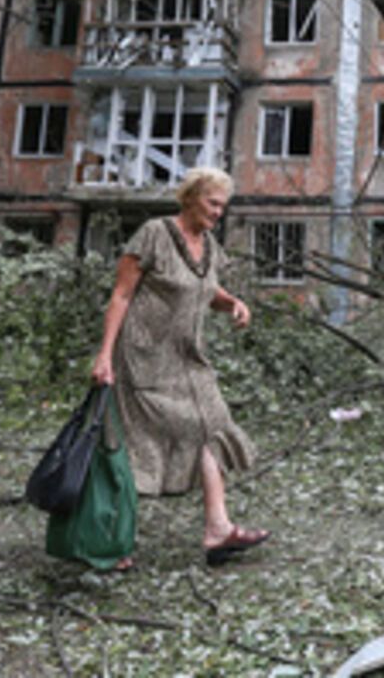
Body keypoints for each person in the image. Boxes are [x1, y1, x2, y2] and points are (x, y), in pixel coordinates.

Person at [91, 166, 271, 567]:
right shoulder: (155, 233)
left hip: (188, 357)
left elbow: (206, 288)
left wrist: (233, 303)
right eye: (213, 202)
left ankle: (217, 529)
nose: (219, 212)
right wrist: (104, 355)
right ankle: (113, 542)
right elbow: (121, 295)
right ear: (190, 197)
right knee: (138, 445)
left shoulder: (207, 244)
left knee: (214, 423)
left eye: (224, 206)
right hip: (143, 356)